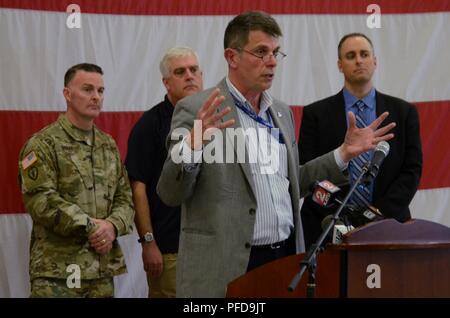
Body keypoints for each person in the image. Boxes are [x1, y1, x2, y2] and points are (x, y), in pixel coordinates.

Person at [157, 12, 395, 297]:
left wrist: (343, 154)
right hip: (225, 267)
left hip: (283, 259)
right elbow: (170, 192)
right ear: (232, 57)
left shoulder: (281, 112)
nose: (271, 61)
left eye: (275, 52)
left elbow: (293, 182)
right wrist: (192, 146)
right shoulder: (197, 108)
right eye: (260, 52)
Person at [18, 63, 135, 297]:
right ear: (67, 94)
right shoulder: (43, 144)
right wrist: (93, 227)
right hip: (57, 273)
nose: (95, 97)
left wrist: (112, 226)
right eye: (87, 89)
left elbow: (125, 198)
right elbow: (42, 201)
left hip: (101, 271)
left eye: (100, 91)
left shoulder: (107, 145)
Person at [298, 33, 422, 249]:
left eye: (364, 54)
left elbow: (411, 171)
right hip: (324, 226)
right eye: (350, 55)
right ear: (339, 65)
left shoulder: (404, 112)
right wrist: (342, 217)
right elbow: (309, 175)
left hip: (389, 225)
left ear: (375, 61)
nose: (358, 60)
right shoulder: (315, 114)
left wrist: (375, 215)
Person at [125, 47, 203, 298]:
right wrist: (148, 242)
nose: (189, 76)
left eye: (194, 70)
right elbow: (137, 187)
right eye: (180, 72)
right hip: (171, 249)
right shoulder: (150, 125)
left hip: (211, 246)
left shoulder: (214, 118)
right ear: (166, 83)